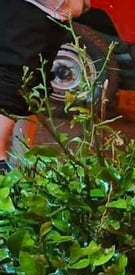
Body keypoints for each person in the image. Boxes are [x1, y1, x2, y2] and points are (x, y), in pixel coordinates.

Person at [0, 0, 88, 172]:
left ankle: (23, 158)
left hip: (54, 11)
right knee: (15, 74)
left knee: (34, 81)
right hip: (30, 7)